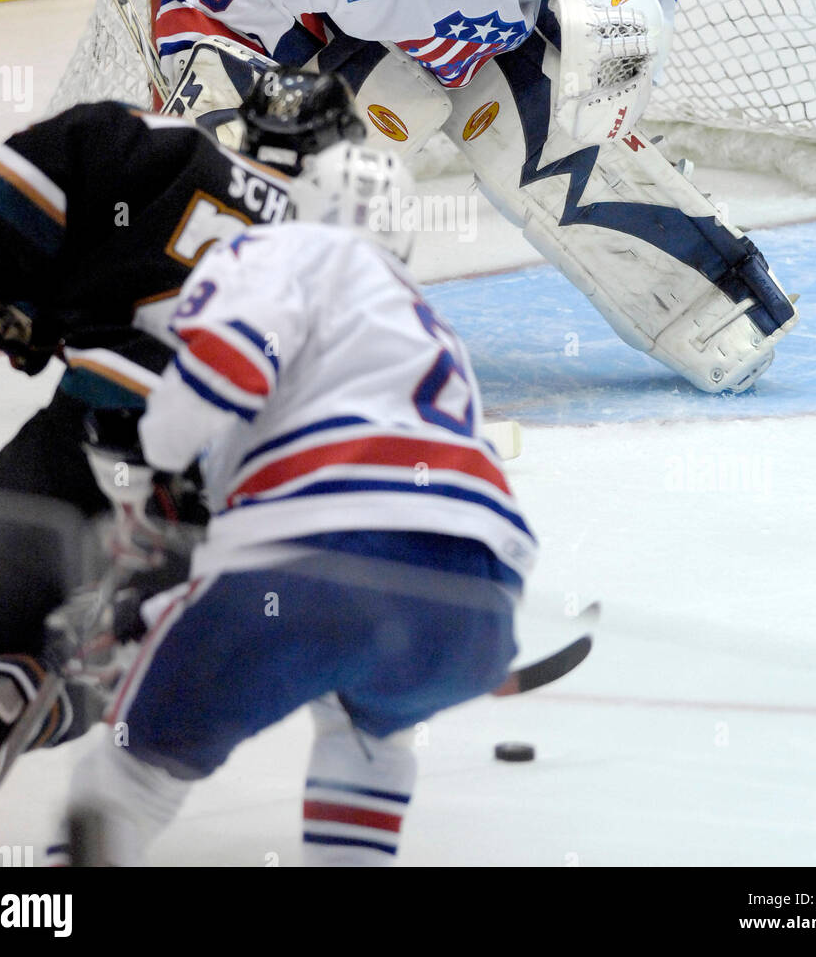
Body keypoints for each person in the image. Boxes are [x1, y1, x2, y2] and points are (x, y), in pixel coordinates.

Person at [154, 0, 798, 398]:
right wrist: (221, 114)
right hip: (360, 53)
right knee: (304, 181)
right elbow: (194, 10)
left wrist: (622, 44)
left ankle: (712, 308)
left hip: (494, 54)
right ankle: (229, 332)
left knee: (561, 161)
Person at [58, 144, 537, 867]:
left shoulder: (283, 249)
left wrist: (156, 450)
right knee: (368, 739)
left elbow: (224, 374)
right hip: (477, 600)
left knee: (135, 769)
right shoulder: (426, 322)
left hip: (311, 563)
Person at [0, 70, 365, 765]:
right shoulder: (343, 259)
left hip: (76, 435)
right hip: (187, 482)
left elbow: (15, 176)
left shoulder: (175, 148)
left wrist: (24, 290)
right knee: (122, 656)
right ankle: (26, 690)